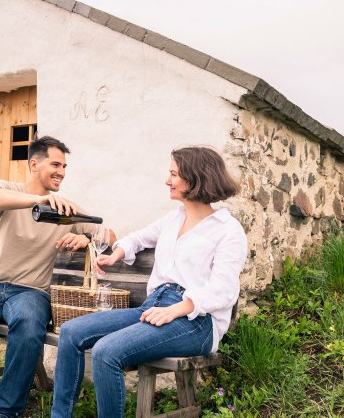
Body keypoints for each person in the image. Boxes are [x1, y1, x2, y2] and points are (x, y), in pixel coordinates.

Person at [51, 146, 248, 418]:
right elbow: (138, 238)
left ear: (195, 178)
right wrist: (115, 255)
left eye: (174, 174)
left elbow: (224, 290)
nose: (168, 180)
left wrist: (176, 309)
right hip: (154, 308)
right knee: (72, 332)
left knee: (106, 352)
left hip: (195, 321)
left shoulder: (228, 230)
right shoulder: (175, 218)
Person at [0, 136, 105, 418]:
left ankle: (5, 411)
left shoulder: (65, 210)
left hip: (31, 292)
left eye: (64, 166)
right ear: (34, 164)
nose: (61, 172)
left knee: (28, 327)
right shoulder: (8, 190)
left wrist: (84, 237)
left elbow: (107, 233)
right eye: (55, 164)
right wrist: (38, 200)